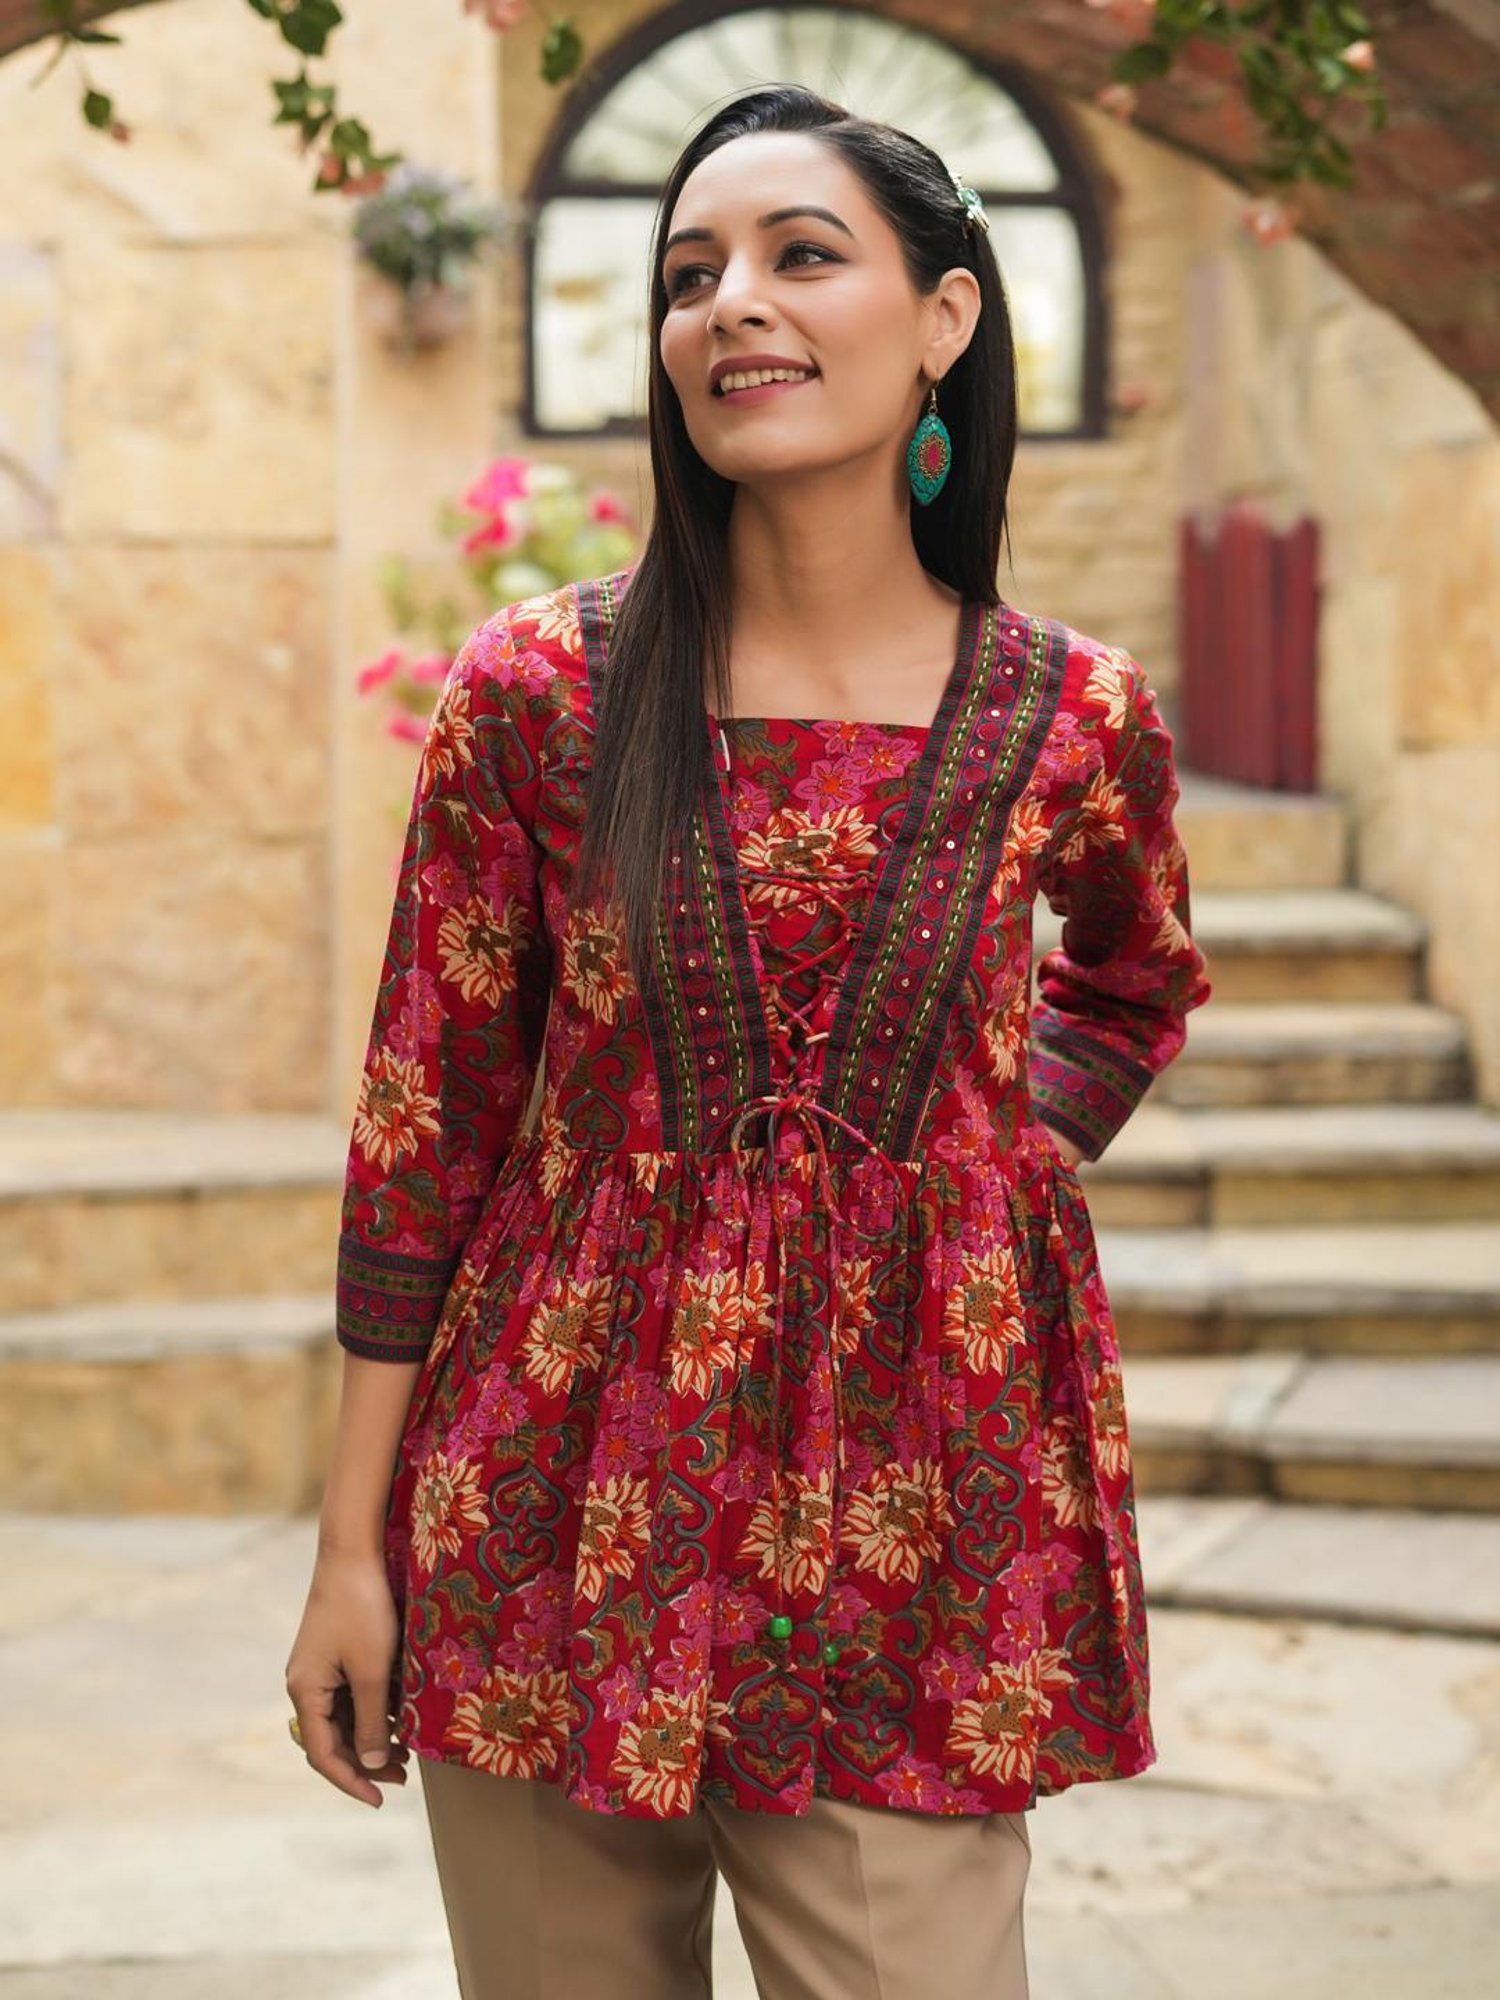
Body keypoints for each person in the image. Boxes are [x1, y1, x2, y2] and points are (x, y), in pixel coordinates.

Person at [286, 82, 1213, 2000]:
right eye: (689, 273)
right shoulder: (536, 697)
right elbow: (424, 1126)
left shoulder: (1074, 716)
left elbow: (1135, 977)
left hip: (919, 1512)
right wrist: (352, 1552)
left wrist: (993, 1159)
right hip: (546, 1500)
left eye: (802, 256)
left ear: (945, 316)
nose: (733, 307)